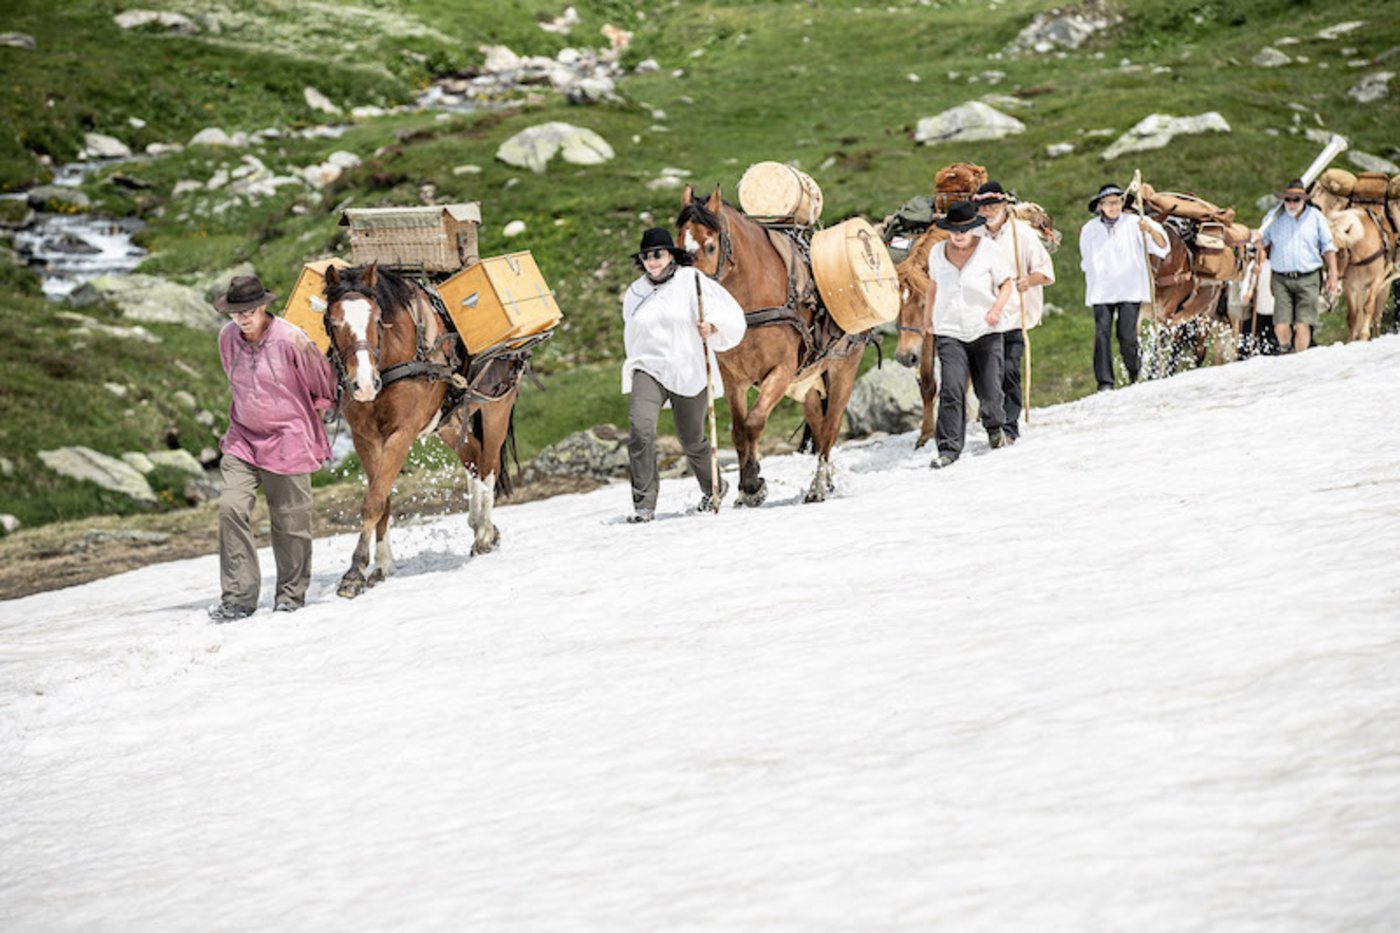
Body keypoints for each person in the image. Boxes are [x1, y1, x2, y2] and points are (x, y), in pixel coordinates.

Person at [209, 275, 336, 622]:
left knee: (290, 521)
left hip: (288, 438)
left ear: (263, 306)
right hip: (243, 438)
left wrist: (307, 426)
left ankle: (290, 595)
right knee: (230, 508)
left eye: (248, 311)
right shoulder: (226, 338)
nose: (242, 318)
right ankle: (238, 598)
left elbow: (323, 387)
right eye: (236, 313)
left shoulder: (292, 339)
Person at [622, 228, 746, 523]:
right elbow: (632, 329)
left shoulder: (691, 280)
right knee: (640, 431)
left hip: (688, 366)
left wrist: (712, 327)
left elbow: (731, 313)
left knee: (692, 439)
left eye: (658, 254)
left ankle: (714, 485)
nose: (652, 261)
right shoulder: (635, 292)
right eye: (646, 256)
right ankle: (644, 505)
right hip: (648, 367)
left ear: (670, 255)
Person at [923, 200, 1015, 469]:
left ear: (973, 228)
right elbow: (932, 286)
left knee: (989, 390)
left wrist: (997, 309)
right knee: (951, 388)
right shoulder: (937, 253)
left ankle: (995, 428)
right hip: (949, 329)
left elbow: (1006, 284)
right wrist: (928, 318)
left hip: (985, 328)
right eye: (953, 229)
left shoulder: (989, 251)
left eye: (963, 229)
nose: (959, 234)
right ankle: (948, 448)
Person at [971, 180, 1055, 442]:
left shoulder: (1023, 234)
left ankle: (1009, 426)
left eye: (994, 204)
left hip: (1014, 315)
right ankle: (992, 424)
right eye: (984, 206)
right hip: (983, 317)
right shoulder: (973, 236)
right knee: (986, 376)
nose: (989, 210)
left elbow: (1045, 271)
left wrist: (1029, 281)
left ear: (1005, 205)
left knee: (1008, 369)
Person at [1080, 183, 1169, 391]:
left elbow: (1162, 246)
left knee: (1127, 335)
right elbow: (1086, 259)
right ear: (1100, 206)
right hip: (1102, 290)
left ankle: (1134, 373)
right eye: (1109, 203)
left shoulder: (1136, 222)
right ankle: (1105, 382)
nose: (1114, 207)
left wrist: (1150, 231)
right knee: (1102, 333)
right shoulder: (1089, 229)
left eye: (1118, 202)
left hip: (1130, 287)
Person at [1256, 178, 1340, 353]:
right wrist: (1258, 257)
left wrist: (1333, 274)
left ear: (1304, 200)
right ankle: (1286, 350)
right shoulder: (1274, 217)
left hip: (1308, 277)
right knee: (1281, 324)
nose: (1292, 204)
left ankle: (1299, 358)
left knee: (1302, 324)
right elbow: (1262, 243)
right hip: (1281, 278)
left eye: (1296, 200)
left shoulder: (1315, 217)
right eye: (1288, 200)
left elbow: (1328, 247)